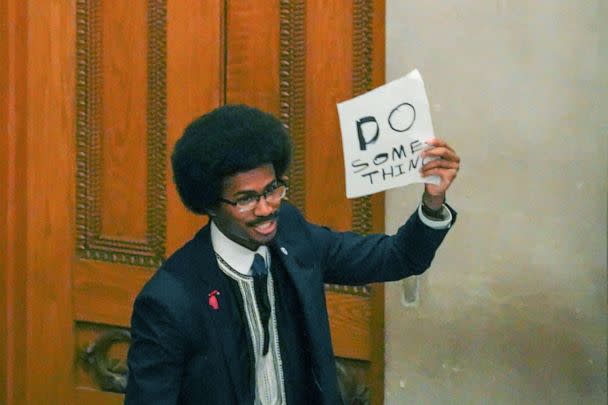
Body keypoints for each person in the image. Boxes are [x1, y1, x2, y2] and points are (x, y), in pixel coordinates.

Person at [125, 104, 459, 405]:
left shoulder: (293, 234)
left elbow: (397, 257)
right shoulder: (169, 300)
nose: (267, 208)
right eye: (245, 199)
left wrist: (432, 202)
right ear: (210, 205)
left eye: (273, 190)